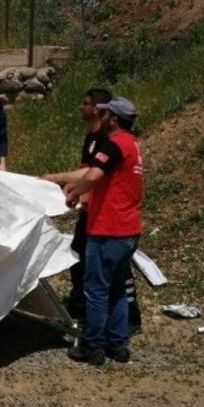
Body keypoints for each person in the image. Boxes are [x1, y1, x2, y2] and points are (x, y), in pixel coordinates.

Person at [42, 90, 143, 332]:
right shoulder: (107, 140)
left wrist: (68, 186)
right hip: (104, 216)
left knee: (104, 283)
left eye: (86, 103)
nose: (81, 107)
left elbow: (94, 174)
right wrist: (75, 186)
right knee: (83, 259)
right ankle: (98, 320)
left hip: (109, 222)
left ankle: (100, 335)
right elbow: (89, 172)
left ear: (108, 115)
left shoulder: (113, 143)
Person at [61, 98, 144, 365]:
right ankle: (118, 344)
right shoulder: (132, 144)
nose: (102, 115)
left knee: (96, 289)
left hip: (109, 229)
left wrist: (74, 192)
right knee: (117, 288)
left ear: (114, 118)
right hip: (129, 229)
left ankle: (92, 346)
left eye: (106, 113)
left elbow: (94, 175)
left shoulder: (114, 144)